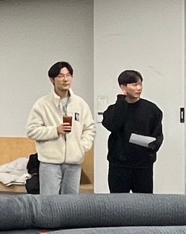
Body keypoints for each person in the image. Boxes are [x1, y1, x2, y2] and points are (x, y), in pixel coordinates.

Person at [26, 61, 96, 195]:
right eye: (60, 76)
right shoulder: (42, 104)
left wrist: (82, 147)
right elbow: (32, 131)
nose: (65, 79)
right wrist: (55, 130)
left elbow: (90, 128)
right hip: (50, 162)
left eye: (68, 75)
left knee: (71, 202)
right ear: (52, 80)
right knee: (49, 202)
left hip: (74, 162)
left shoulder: (80, 103)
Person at [100, 70, 164, 193]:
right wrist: (121, 100)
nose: (139, 88)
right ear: (123, 87)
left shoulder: (152, 110)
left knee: (144, 201)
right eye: (134, 85)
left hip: (143, 166)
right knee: (118, 201)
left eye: (140, 84)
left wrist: (152, 147)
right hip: (119, 165)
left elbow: (158, 135)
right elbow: (113, 125)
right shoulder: (113, 110)